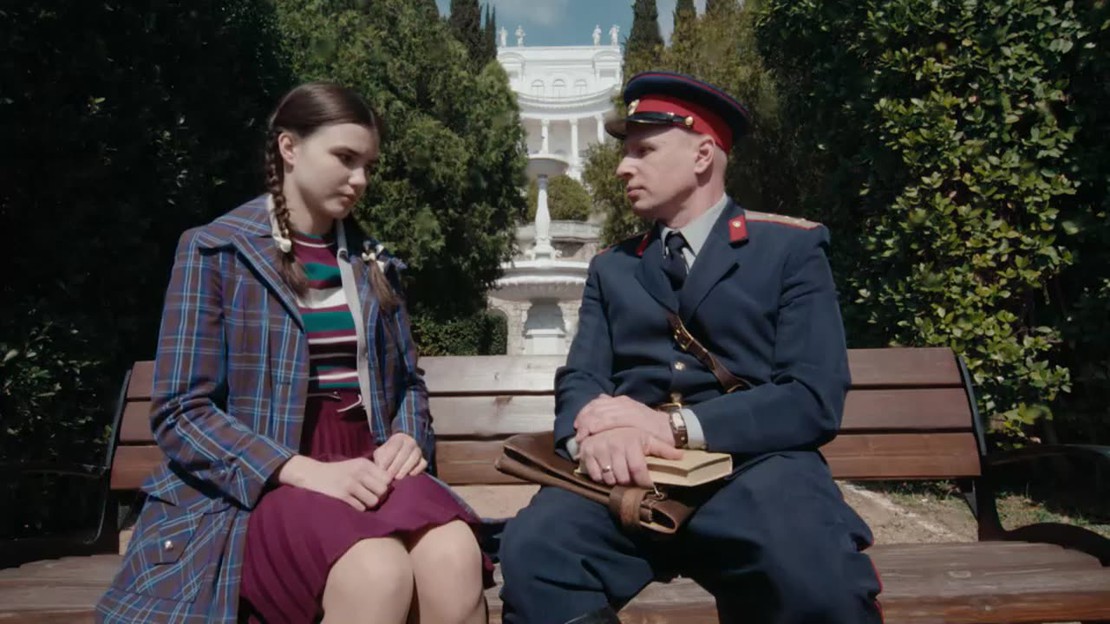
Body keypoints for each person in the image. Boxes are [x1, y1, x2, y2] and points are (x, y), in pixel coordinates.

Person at [96, 82, 490, 624]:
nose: (361, 180)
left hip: (371, 466)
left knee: (455, 558)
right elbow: (180, 411)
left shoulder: (374, 263)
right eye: (345, 158)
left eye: (368, 165)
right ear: (289, 148)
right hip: (264, 482)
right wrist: (293, 468)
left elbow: (407, 384)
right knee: (376, 572)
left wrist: (407, 436)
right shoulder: (216, 251)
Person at [497, 71, 883, 624]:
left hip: (758, 469)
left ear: (703, 155)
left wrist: (672, 427)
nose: (623, 166)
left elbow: (811, 396)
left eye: (644, 150)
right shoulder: (612, 267)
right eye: (626, 152)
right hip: (633, 474)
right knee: (535, 551)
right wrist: (592, 439)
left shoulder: (788, 250)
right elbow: (582, 378)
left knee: (819, 585)